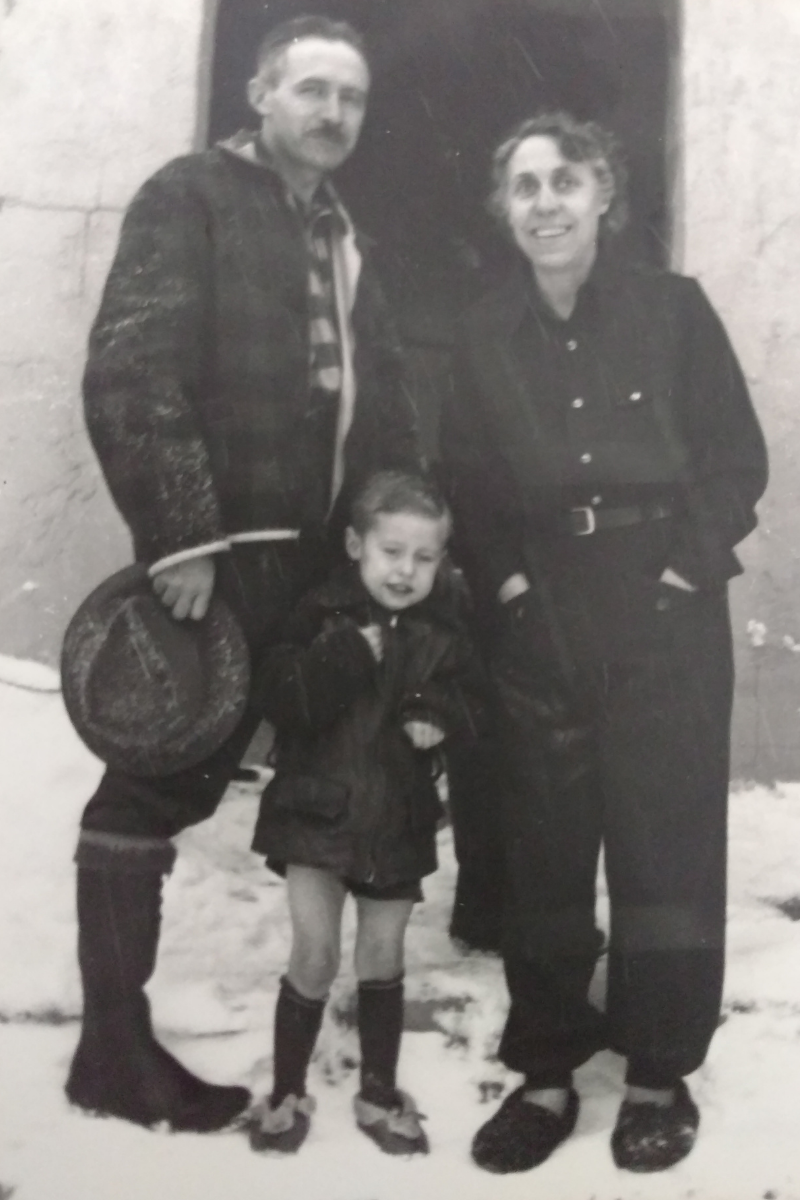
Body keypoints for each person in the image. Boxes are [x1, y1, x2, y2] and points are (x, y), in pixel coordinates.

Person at [67, 16, 419, 1132]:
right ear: (263, 96)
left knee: (214, 775)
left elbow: (381, 405)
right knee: (155, 776)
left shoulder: (340, 236)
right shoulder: (191, 194)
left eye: (349, 99)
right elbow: (131, 368)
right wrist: (179, 540)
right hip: (213, 564)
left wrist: (380, 539)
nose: (330, 113)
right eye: (310, 89)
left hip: (308, 565)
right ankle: (112, 1053)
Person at [441, 111, 768, 1174]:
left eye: (565, 182)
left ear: (602, 198)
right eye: (524, 186)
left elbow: (733, 462)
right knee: (542, 843)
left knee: (662, 842)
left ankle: (657, 1072)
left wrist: (679, 571)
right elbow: (471, 484)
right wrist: (513, 586)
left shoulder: (673, 312)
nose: (544, 203)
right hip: (544, 613)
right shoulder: (484, 331)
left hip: (662, 607)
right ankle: (542, 1071)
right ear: (504, 210)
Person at [247, 470, 482, 1156]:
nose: (406, 571)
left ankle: (379, 1092)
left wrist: (438, 716)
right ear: (356, 544)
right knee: (315, 955)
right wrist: (339, 659)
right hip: (314, 815)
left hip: (397, 823)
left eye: (424, 557)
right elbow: (280, 697)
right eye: (391, 552)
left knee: (381, 956)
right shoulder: (319, 614)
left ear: (442, 561)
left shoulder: (445, 634)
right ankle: (286, 1092)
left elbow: (476, 706)